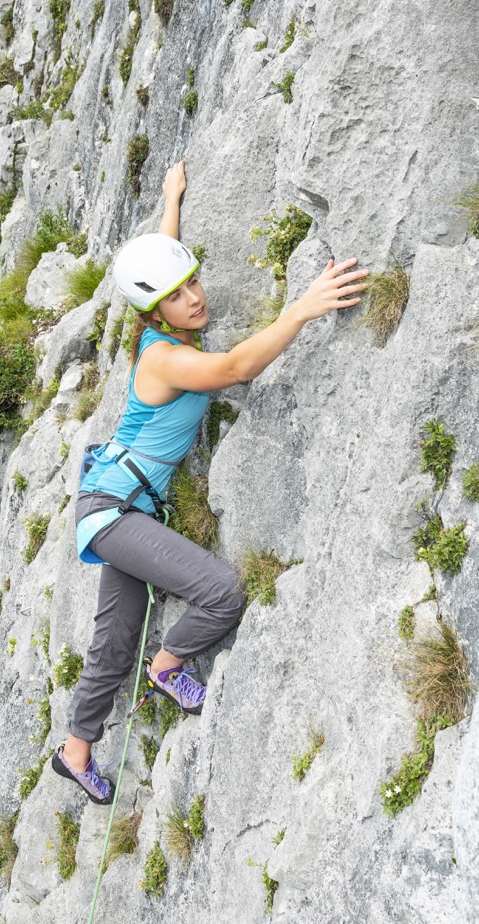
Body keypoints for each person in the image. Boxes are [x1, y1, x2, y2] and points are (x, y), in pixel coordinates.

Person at [52, 161, 369, 803]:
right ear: (154, 311)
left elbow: (163, 270)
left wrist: (172, 201)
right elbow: (234, 367)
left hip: (119, 506)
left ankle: (74, 752)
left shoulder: (165, 323)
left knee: (113, 640)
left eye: (193, 281)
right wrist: (301, 310)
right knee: (223, 592)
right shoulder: (167, 356)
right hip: (116, 510)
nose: (194, 296)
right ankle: (168, 665)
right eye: (177, 294)